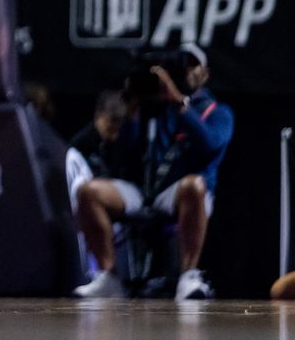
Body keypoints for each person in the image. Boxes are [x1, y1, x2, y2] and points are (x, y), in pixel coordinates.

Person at [73, 44, 234, 301]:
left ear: (205, 73)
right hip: (144, 189)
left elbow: (208, 144)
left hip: (183, 193)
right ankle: (108, 276)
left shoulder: (217, 112)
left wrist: (179, 102)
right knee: (88, 191)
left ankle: (188, 276)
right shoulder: (154, 108)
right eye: (183, 65)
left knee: (194, 185)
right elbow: (123, 154)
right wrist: (134, 110)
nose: (187, 71)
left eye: (193, 65)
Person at [71, 90, 127, 180]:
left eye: (120, 121)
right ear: (98, 115)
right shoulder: (80, 144)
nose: (116, 126)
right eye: (113, 119)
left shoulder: (116, 142)